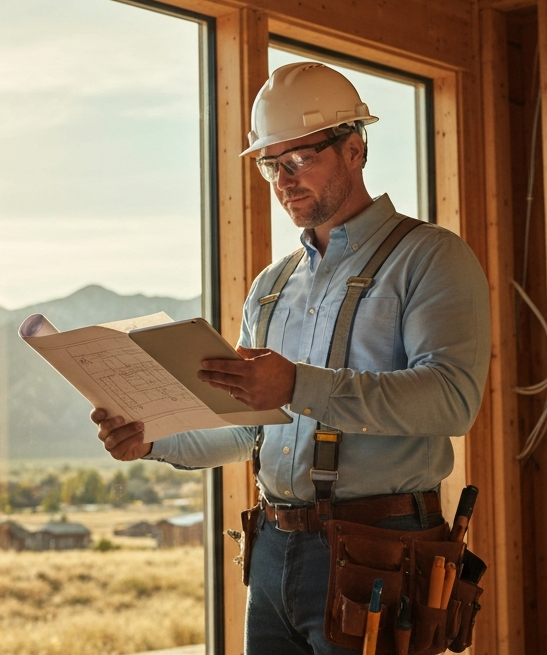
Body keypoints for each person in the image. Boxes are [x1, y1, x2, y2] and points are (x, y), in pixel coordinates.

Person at [90, 62, 490, 654]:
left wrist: (296, 384)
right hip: (273, 547)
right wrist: (153, 439)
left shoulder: (429, 258)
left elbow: (452, 402)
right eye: (269, 164)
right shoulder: (272, 287)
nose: (283, 179)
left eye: (299, 158)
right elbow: (250, 432)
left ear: (354, 148)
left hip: (380, 549)